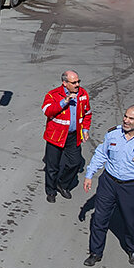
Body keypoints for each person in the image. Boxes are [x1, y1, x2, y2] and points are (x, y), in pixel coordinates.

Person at [81, 105, 134, 266]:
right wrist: (89, 174)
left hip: (130, 187)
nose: (126, 120)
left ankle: (133, 249)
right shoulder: (113, 133)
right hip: (108, 183)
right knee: (99, 218)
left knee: (132, 221)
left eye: (131, 118)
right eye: (125, 116)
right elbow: (101, 154)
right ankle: (95, 252)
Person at [41, 70, 92, 202]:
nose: (77, 85)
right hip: (56, 136)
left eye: (78, 81)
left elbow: (87, 113)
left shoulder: (83, 94)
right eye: (74, 82)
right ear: (64, 83)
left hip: (73, 136)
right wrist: (64, 102)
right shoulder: (53, 94)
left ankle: (62, 184)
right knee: (52, 167)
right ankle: (51, 191)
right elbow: (47, 111)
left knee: (75, 163)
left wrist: (85, 129)